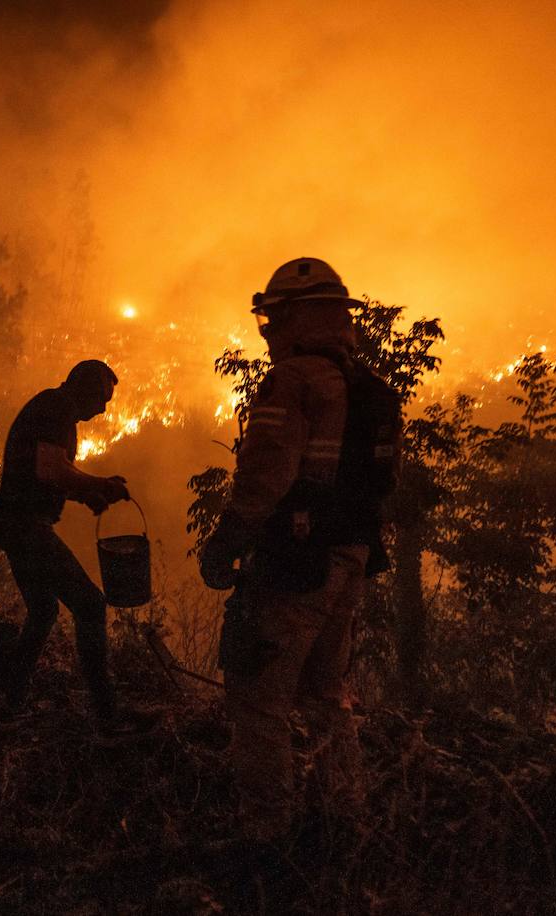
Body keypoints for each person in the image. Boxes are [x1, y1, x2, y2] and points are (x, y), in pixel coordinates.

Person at [199, 257, 400, 837]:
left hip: (296, 565)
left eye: (274, 319)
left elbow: (266, 474)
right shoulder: (373, 393)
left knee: (259, 698)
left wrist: (227, 541)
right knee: (324, 691)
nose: (268, 334)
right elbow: (384, 485)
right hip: (352, 559)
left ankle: (266, 835)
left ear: (301, 317)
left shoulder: (293, 381)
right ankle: (347, 815)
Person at [0, 359, 140, 734]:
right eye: (103, 398)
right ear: (84, 388)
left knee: (43, 612)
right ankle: (107, 716)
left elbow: (46, 474)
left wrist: (85, 493)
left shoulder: (54, 409)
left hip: (14, 521)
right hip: (25, 525)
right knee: (90, 605)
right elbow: (51, 470)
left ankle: (8, 703)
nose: (105, 408)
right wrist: (97, 485)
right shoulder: (56, 409)